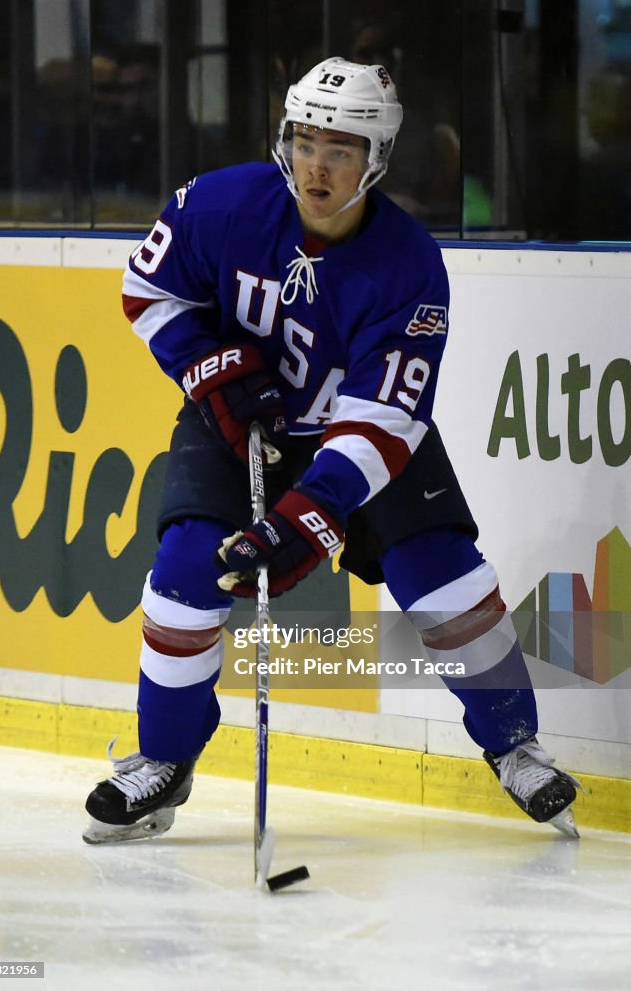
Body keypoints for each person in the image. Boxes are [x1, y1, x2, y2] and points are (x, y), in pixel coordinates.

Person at [83, 56, 579, 845]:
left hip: (361, 438)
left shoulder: (408, 265)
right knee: (183, 574)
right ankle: (162, 762)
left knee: (445, 577)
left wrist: (310, 516)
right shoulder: (220, 204)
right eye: (305, 141)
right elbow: (151, 290)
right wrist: (208, 367)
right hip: (237, 424)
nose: (317, 164)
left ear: (375, 160)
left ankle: (516, 746)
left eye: (341, 149)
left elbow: (385, 415)